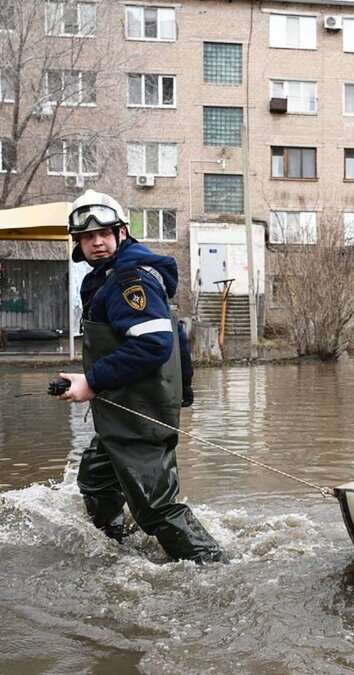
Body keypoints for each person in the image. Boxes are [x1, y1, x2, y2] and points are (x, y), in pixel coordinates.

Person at [56, 190, 226, 564]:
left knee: (156, 508)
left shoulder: (126, 279)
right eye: (87, 237)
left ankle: (219, 572)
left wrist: (92, 382)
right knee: (97, 478)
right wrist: (182, 390)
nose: (97, 242)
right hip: (127, 405)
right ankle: (112, 550)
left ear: (122, 233)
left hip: (138, 410)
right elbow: (177, 334)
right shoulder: (114, 276)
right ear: (78, 243)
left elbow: (153, 343)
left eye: (105, 233)